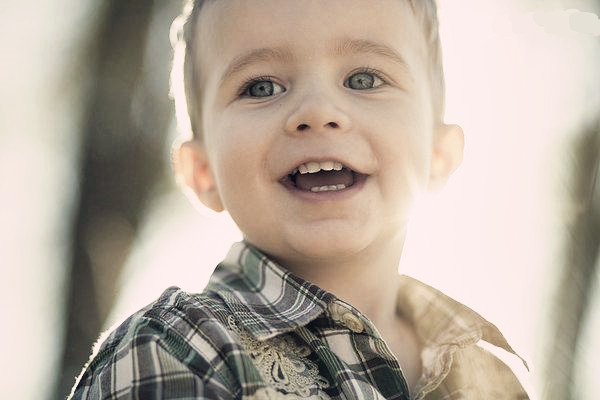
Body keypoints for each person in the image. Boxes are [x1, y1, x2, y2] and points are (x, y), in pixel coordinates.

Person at [69, 0, 532, 398]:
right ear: (202, 172)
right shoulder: (175, 349)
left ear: (438, 155)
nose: (317, 111)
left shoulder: (489, 377)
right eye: (261, 87)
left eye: (364, 79)